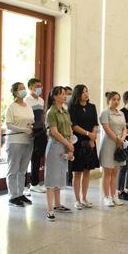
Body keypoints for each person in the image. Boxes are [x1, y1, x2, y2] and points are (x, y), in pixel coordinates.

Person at [44, 86, 74, 221]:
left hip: (66, 144)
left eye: (65, 94)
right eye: (61, 94)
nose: (64, 96)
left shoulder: (65, 111)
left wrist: (70, 143)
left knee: (60, 175)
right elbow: (54, 132)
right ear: (55, 96)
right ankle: (50, 209)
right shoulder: (52, 112)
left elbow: (69, 128)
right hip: (55, 145)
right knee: (52, 177)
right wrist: (67, 144)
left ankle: (58, 204)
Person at [68, 84, 100, 210]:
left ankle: (84, 198)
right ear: (78, 94)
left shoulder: (92, 107)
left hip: (90, 141)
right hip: (78, 142)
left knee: (87, 171)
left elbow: (95, 124)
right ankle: (77, 200)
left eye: (87, 91)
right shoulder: (72, 107)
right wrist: (88, 134)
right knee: (77, 173)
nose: (86, 94)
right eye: (83, 92)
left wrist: (93, 137)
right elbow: (74, 126)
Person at [4, 82, 34, 207]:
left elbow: (31, 120)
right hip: (15, 141)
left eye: (24, 88)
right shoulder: (11, 107)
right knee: (13, 169)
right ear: (15, 92)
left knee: (23, 169)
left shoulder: (27, 105)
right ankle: (13, 195)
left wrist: (32, 128)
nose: (24, 90)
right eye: (21, 89)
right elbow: (9, 124)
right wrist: (23, 129)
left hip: (28, 140)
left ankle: (20, 193)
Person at [99, 91, 127, 207]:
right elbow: (107, 129)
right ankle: (106, 197)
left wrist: (123, 139)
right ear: (108, 100)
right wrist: (117, 139)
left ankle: (114, 195)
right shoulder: (105, 113)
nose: (116, 102)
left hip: (119, 144)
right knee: (108, 172)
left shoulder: (121, 113)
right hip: (109, 144)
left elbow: (125, 128)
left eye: (118, 99)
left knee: (116, 172)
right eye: (114, 99)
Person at [24, 78, 47, 194]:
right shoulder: (26, 100)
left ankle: (34, 183)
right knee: (25, 159)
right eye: (37, 86)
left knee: (37, 158)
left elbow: (42, 115)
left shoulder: (41, 100)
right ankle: (23, 186)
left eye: (41, 86)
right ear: (30, 88)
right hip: (29, 132)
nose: (40, 88)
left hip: (40, 131)